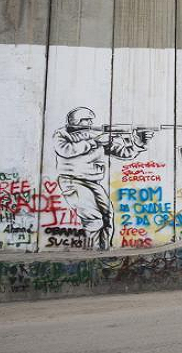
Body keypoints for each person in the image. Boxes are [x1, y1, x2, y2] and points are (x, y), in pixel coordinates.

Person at [53, 107, 153, 250]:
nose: (90, 123)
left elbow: (124, 153)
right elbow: (65, 150)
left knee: (107, 218)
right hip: (72, 181)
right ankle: (92, 253)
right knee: (93, 220)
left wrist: (139, 142)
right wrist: (96, 142)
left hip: (93, 182)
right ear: (76, 121)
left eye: (90, 120)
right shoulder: (62, 134)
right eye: (86, 120)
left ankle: (104, 250)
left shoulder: (96, 135)